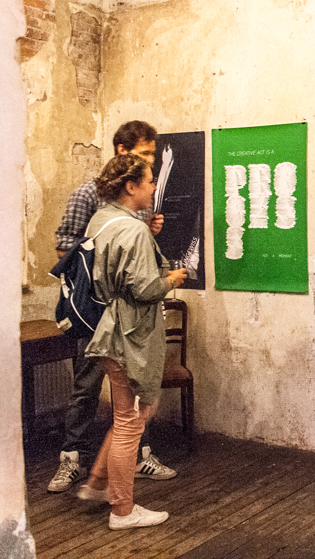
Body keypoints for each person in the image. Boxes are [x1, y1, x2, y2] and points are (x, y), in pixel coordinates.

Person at [48, 121, 176, 494]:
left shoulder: (138, 197)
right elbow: (66, 249)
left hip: (128, 318)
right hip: (95, 313)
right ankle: (72, 459)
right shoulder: (88, 194)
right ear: (122, 151)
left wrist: (146, 231)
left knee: (134, 394)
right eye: (145, 153)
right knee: (86, 387)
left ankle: (135, 458)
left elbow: (132, 257)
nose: (150, 162)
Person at [74, 153, 186, 529]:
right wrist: (171, 279)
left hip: (108, 331)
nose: (154, 187)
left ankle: (98, 482)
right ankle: (122, 510)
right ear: (130, 186)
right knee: (130, 423)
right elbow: (145, 288)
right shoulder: (133, 230)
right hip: (129, 337)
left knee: (130, 417)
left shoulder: (100, 220)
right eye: (150, 181)